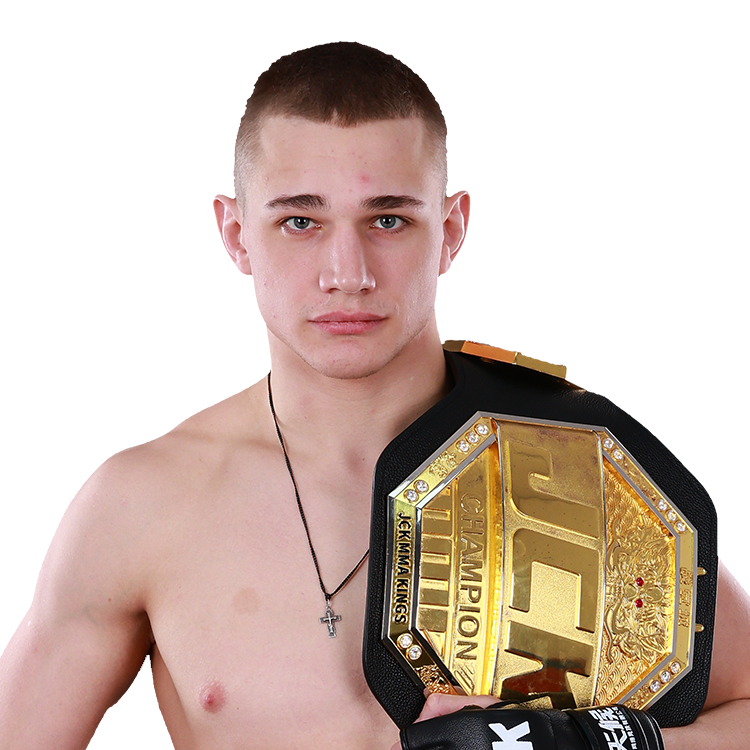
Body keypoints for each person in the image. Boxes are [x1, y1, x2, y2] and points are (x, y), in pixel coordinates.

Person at [0, 41, 748, 750]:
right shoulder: (142, 506)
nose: (347, 273)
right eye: (300, 221)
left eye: (388, 219)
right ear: (234, 232)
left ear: (452, 225)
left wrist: (592, 741)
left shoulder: (589, 470)